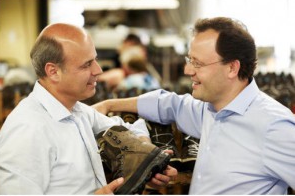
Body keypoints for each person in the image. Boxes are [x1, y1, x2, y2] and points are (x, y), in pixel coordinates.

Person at [93, 17, 295, 194]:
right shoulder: (209, 110)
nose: (188, 70)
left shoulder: (274, 127)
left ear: (232, 68)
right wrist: (109, 104)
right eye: (189, 59)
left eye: (198, 63)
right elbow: (169, 104)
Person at [0, 23, 177, 194]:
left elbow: (130, 128)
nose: (98, 70)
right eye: (86, 64)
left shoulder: (79, 112)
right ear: (53, 71)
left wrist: (146, 160)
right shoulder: (27, 130)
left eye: (95, 60)